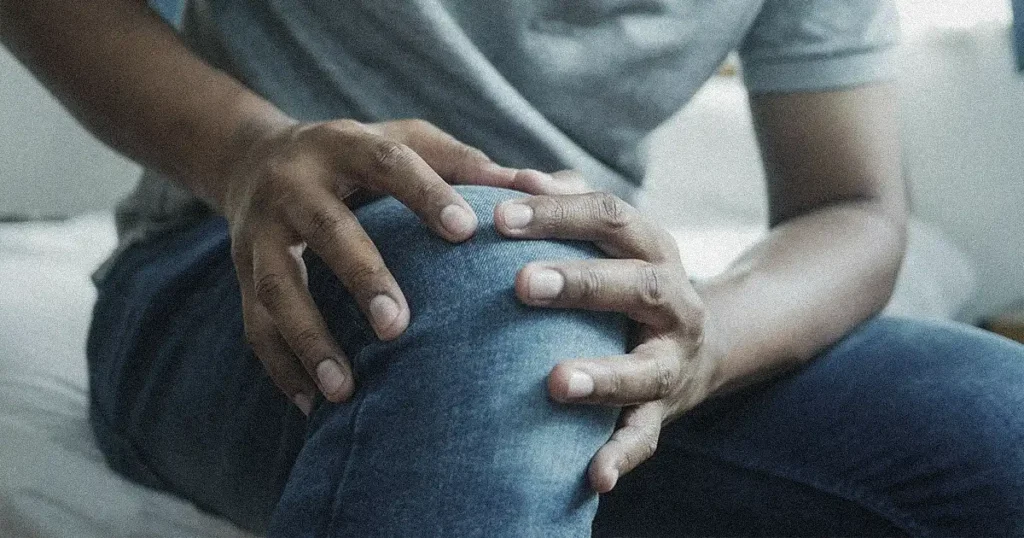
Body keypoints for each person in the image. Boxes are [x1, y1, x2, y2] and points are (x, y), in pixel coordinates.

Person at [2, 0, 1023, 535]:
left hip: (554, 316)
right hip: (234, 281)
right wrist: (250, 152)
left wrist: (702, 338)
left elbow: (851, 206)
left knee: (998, 420)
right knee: (505, 286)